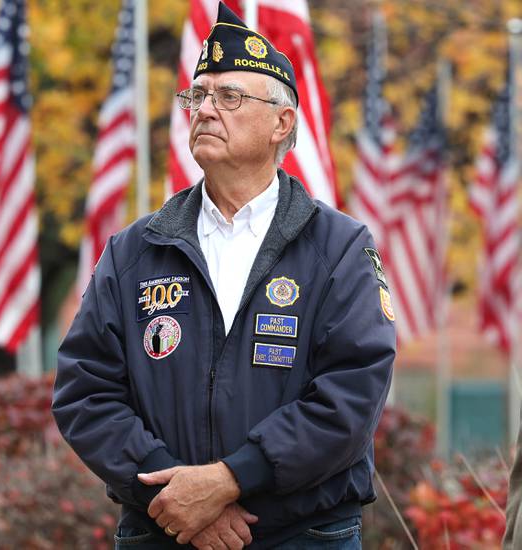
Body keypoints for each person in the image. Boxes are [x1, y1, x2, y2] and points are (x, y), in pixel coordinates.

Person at [52, 3, 395, 548]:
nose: (205, 109)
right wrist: (172, 495)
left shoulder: (339, 248)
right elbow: (84, 390)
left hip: (301, 535)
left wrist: (231, 480)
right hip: (160, 529)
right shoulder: (135, 251)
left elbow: (352, 392)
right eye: (198, 95)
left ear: (282, 123)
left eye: (229, 97)